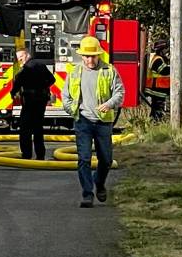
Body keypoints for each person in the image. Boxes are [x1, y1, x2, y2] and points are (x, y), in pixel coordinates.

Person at [62, 36, 125, 208]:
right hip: (83, 121)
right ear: (82, 56)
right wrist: (72, 110)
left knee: (105, 160)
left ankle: (99, 182)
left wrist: (109, 104)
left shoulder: (109, 70)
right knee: (84, 159)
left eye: (93, 56)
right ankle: (87, 194)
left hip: (103, 123)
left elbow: (120, 93)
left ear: (99, 55)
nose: (90, 60)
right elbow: (65, 97)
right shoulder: (74, 72)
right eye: (87, 56)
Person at [13, 48, 56, 160]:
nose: (20, 60)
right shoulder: (41, 65)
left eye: (21, 58)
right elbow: (52, 79)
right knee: (38, 128)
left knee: (25, 129)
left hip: (29, 102)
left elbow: (18, 82)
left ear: (27, 55)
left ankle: (26, 155)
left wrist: (13, 93)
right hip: (41, 101)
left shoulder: (26, 69)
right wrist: (43, 86)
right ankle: (40, 155)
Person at [143, 40, 171, 121]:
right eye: (166, 49)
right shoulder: (157, 60)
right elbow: (163, 71)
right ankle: (156, 122)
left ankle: (155, 121)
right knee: (158, 108)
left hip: (159, 89)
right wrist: (173, 66)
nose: (167, 51)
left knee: (156, 108)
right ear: (161, 50)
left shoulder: (159, 58)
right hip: (157, 89)